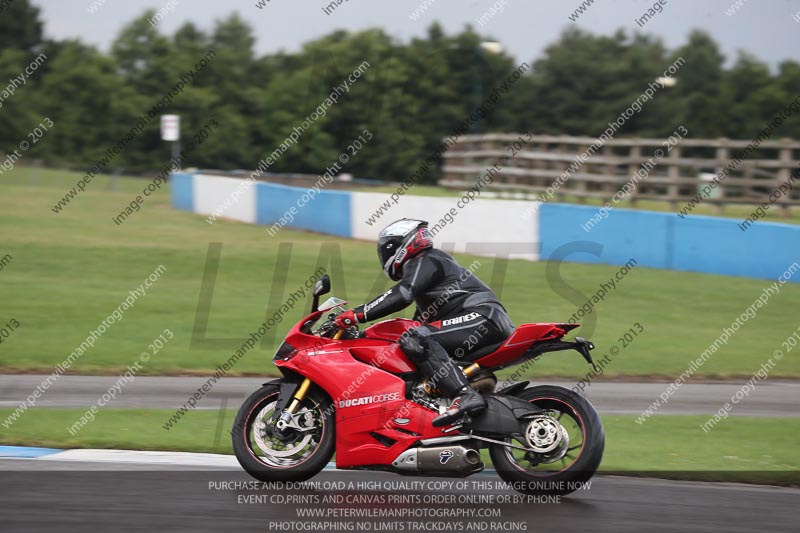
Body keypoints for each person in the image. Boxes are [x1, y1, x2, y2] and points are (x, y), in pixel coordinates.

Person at [334, 219, 515, 427]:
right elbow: (411, 324)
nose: (384, 255)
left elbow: (402, 294)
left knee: (417, 337)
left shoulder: (427, 259)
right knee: (412, 341)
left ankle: (465, 395)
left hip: (483, 316)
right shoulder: (425, 275)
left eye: (388, 248)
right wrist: (362, 336)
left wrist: (357, 314)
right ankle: (462, 391)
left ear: (403, 244)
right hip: (480, 321)